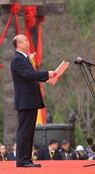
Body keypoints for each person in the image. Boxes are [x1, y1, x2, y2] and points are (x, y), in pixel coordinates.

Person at [11, 34, 57, 167]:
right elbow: (28, 75)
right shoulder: (17, 59)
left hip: (30, 100)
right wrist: (46, 74)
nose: (28, 42)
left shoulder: (24, 58)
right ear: (18, 44)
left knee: (29, 131)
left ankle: (27, 159)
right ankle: (22, 160)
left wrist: (48, 78)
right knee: (24, 131)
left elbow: (32, 76)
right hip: (25, 100)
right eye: (25, 40)